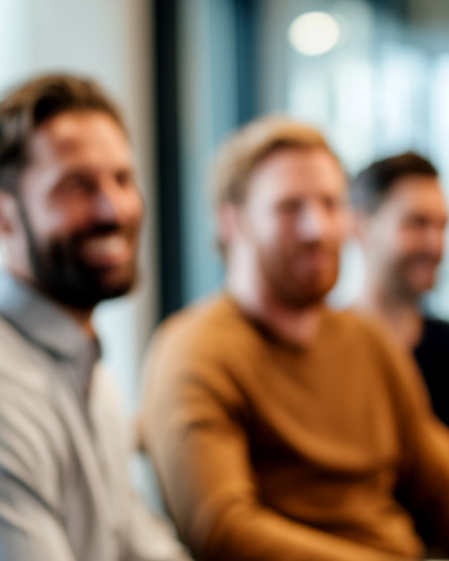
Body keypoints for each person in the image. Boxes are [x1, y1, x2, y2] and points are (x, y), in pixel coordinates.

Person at [0, 74, 191, 561]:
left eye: (123, 179)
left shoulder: (83, 362)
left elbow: (137, 540)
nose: (114, 208)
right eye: (77, 186)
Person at [141, 117, 449, 560]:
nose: (318, 229)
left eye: (330, 204)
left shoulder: (368, 341)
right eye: (290, 208)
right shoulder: (197, 349)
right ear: (232, 221)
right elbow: (222, 529)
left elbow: (438, 481)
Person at [352, 152, 449, 426]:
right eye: (417, 223)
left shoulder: (445, 347)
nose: (435, 245)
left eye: (442, 226)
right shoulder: (324, 350)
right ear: (361, 227)